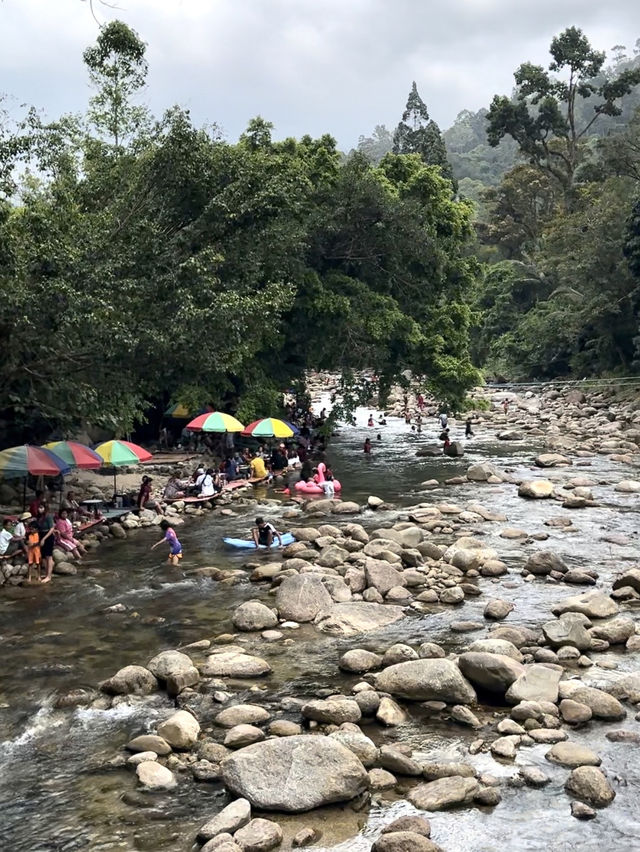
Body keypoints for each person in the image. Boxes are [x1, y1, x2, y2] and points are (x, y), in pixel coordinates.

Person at [36, 503, 55, 583]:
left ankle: (49, 576)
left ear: (45, 508)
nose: (39, 509)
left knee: (48, 556)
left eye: (41, 507)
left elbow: (52, 528)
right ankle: (47, 573)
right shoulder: (39, 517)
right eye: (39, 507)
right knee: (43, 556)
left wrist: (44, 539)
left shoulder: (48, 516)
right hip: (41, 535)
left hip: (48, 536)